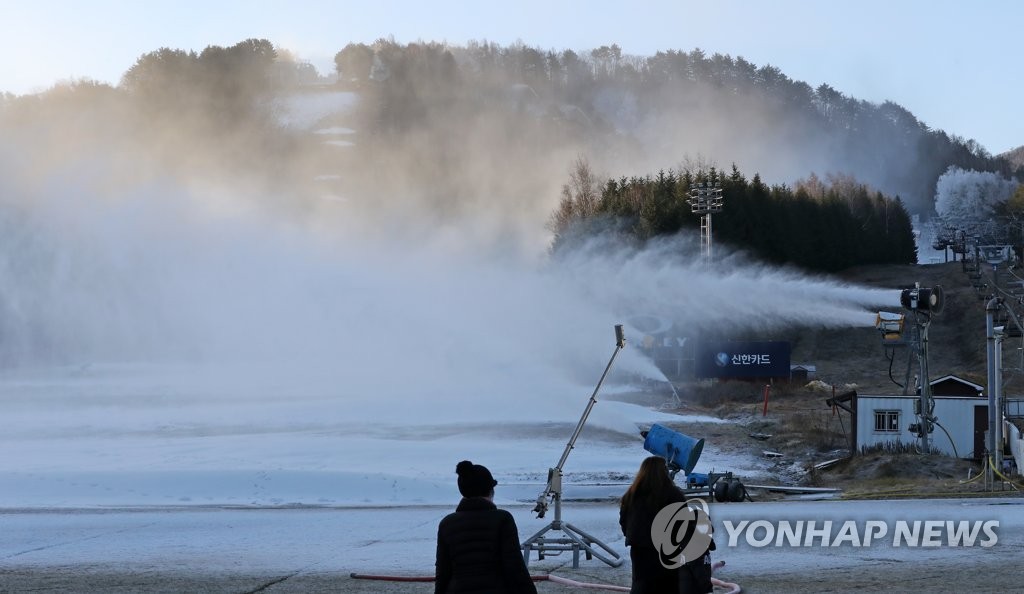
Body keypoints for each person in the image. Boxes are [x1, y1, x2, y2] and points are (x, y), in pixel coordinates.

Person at [435, 460, 538, 594]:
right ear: (490, 490)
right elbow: (514, 566)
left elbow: (443, 571)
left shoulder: (447, 523)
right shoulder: (502, 519)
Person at [619, 456, 714, 594]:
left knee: (641, 584)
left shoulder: (632, 494)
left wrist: (632, 536)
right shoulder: (672, 494)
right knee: (668, 586)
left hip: (639, 550)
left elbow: (624, 521)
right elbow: (683, 522)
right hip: (666, 550)